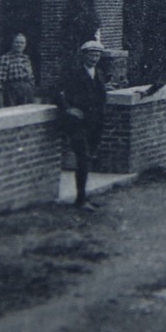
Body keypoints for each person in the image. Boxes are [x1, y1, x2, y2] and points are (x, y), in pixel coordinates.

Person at [56, 40, 109, 210]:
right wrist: (68, 109)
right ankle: (80, 199)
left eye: (97, 55)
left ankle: (84, 195)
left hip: (94, 123)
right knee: (83, 157)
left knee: (89, 157)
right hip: (77, 123)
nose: (94, 58)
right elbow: (57, 91)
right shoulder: (73, 73)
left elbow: (101, 97)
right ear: (84, 56)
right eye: (91, 55)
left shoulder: (99, 73)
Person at [0, 32, 37, 107]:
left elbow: (31, 77)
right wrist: (0, 101)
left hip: (27, 91)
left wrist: (31, 88)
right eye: (17, 42)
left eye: (22, 43)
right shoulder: (5, 58)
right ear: (12, 44)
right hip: (12, 92)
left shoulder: (26, 58)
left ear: (25, 45)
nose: (19, 45)